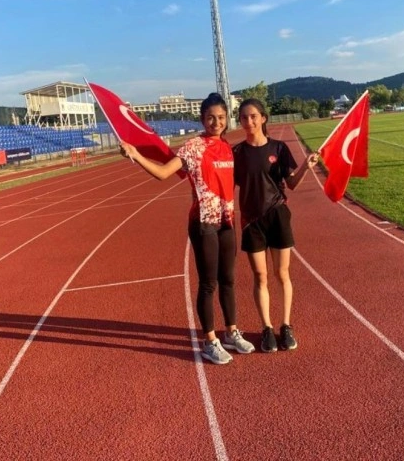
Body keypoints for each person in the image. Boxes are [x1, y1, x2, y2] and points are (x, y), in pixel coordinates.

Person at [120, 93, 254, 365]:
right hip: (203, 222)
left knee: (228, 279)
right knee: (208, 283)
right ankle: (210, 341)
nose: (216, 122)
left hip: (226, 221)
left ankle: (231, 332)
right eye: (210, 118)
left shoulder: (228, 147)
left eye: (220, 117)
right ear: (202, 119)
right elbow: (163, 173)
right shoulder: (193, 147)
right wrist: (135, 155)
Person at [232, 98, 318, 353]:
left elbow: (291, 184)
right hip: (251, 221)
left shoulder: (279, 149)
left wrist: (306, 166)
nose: (248, 122)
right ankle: (267, 328)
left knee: (282, 274)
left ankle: (286, 325)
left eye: (253, 116)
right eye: (244, 117)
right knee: (260, 276)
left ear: (263, 118)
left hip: (277, 215)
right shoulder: (237, 153)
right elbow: (226, 183)